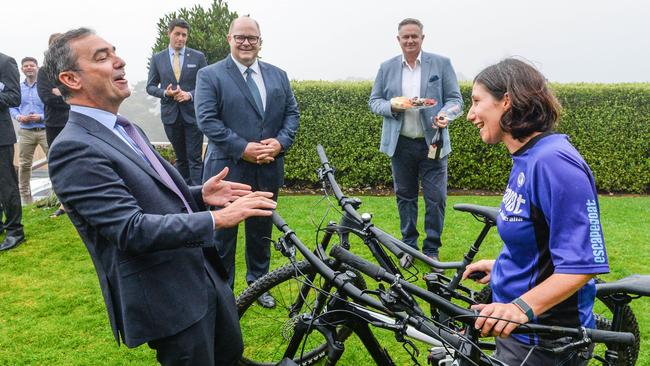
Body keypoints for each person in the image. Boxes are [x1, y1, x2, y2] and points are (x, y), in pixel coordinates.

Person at [44, 28, 277, 365]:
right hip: (169, 300)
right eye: (102, 57)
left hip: (202, 278)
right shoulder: (73, 148)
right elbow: (130, 229)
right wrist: (216, 219)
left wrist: (200, 196)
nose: (119, 61)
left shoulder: (125, 127)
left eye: (114, 51)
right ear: (71, 79)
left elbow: (152, 196)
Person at [463, 58, 610, 365]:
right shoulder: (527, 158)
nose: (470, 114)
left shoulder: (554, 162)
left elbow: (583, 264)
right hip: (519, 334)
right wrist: (504, 265)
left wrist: (519, 308)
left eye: (477, 102)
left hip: (544, 340)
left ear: (506, 101)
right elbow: (539, 237)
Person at [195, 16, 300, 308]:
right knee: (223, 235)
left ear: (260, 42)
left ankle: (259, 283)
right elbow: (207, 119)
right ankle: (222, 290)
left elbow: (292, 114)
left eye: (252, 38)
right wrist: (243, 148)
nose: (246, 42)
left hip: (268, 167)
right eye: (240, 37)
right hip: (228, 170)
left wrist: (280, 143)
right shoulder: (210, 75)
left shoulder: (278, 75)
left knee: (261, 231)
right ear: (229, 39)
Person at [369, 18, 463, 270]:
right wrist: (392, 106)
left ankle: (431, 250)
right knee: (405, 197)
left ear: (423, 38)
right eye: (405, 37)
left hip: (433, 144)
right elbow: (374, 101)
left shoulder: (440, 64)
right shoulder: (386, 67)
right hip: (400, 145)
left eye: (414, 36)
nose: (410, 40)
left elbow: (456, 100)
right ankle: (408, 247)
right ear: (398, 39)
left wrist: (446, 114)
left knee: (436, 199)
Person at [147, 18, 207, 186]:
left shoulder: (198, 57)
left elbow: (205, 86)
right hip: (170, 116)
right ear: (169, 33)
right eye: (177, 34)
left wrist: (189, 94)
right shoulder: (157, 58)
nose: (180, 38)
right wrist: (166, 93)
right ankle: (185, 196)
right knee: (181, 159)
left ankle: (199, 197)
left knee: (194, 158)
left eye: (184, 35)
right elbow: (150, 87)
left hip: (192, 115)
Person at [38, 33, 70, 218]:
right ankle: (63, 203)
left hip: (73, 120)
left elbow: (79, 92)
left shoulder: (72, 67)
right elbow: (46, 97)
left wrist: (62, 93)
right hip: (54, 124)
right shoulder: (44, 72)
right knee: (57, 164)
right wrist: (68, 96)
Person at [10, 57, 47, 205]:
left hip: (44, 129)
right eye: (26, 66)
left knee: (54, 160)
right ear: (22, 69)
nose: (29, 68)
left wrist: (41, 117)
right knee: (24, 164)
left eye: (32, 65)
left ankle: (59, 194)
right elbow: (12, 106)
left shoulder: (44, 86)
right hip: (26, 131)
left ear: (37, 67)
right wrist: (19, 117)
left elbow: (52, 105)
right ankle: (24, 197)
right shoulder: (19, 88)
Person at [0, 51, 24, 251]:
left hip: (1, 136)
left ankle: (15, 230)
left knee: (6, 185)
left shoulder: (5, 62)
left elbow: (14, 97)